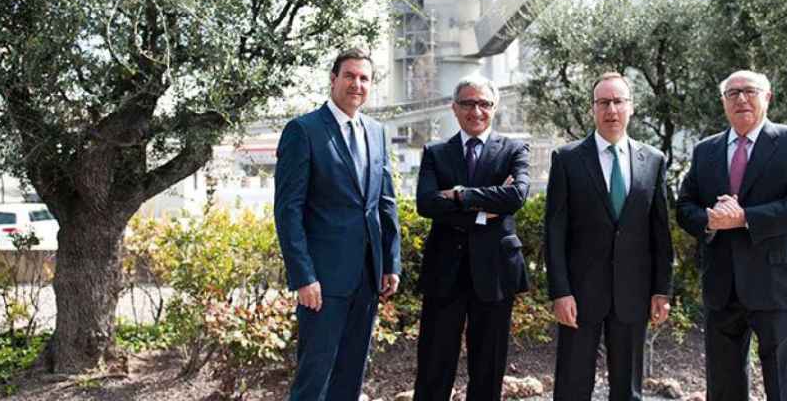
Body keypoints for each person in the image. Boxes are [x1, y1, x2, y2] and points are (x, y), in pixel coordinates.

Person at [676, 70, 787, 401]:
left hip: (777, 286)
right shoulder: (705, 150)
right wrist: (711, 220)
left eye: (749, 91)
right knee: (724, 389)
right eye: (732, 93)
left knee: (783, 389)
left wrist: (743, 218)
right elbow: (685, 207)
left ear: (767, 97)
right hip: (722, 286)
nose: (741, 98)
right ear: (723, 102)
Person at [274, 48, 401, 401]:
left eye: (364, 78)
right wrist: (303, 276)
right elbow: (288, 211)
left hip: (367, 276)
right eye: (349, 76)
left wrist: (390, 262)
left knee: (351, 374)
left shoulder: (376, 132)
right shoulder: (304, 131)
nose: (356, 84)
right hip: (322, 281)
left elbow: (385, 202)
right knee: (314, 378)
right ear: (333, 80)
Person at [544, 72, 674, 401]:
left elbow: (660, 231)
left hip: (634, 293)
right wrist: (560, 292)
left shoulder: (653, 160)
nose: (611, 109)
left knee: (628, 390)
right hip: (580, 295)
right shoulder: (567, 159)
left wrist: (662, 289)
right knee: (572, 387)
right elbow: (555, 231)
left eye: (618, 101)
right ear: (593, 109)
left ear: (631, 107)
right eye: (603, 102)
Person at [412, 74, 531, 401]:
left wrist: (460, 196)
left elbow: (516, 197)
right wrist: (484, 209)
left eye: (484, 104)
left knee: (488, 368)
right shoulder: (436, 152)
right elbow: (426, 203)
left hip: (495, 273)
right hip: (444, 272)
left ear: (494, 108)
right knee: (434, 366)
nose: (476, 111)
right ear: (454, 108)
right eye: (468, 103)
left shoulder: (513, 149)